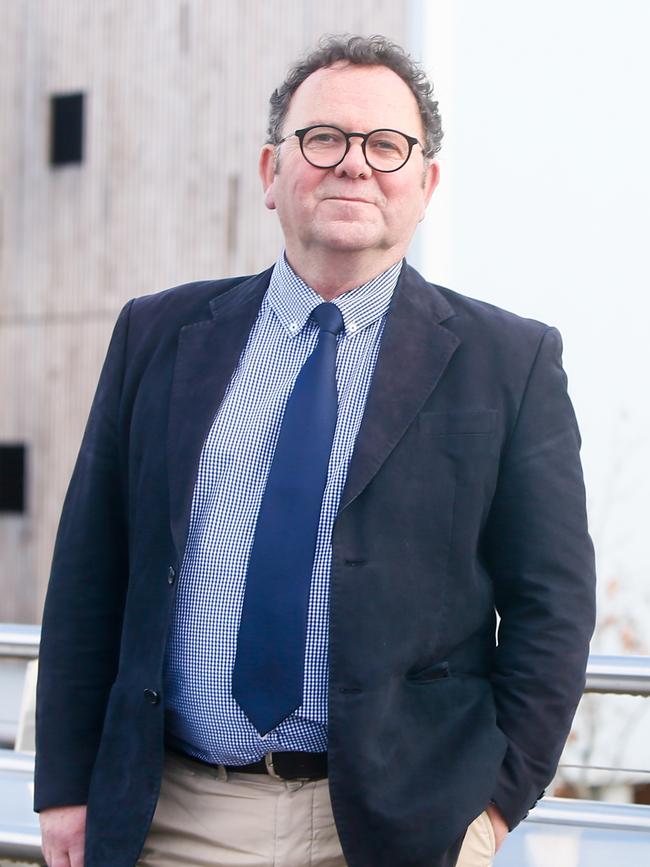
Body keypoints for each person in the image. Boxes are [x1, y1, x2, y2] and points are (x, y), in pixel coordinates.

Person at [34, 34, 596, 867]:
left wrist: (492, 807)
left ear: (425, 183)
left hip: (396, 832)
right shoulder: (158, 335)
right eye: (323, 138)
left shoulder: (509, 363)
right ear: (271, 171)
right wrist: (66, 788)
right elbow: (90, 573)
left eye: (386, 145)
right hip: (172, 819)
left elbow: (554, 607)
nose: (354, 165)